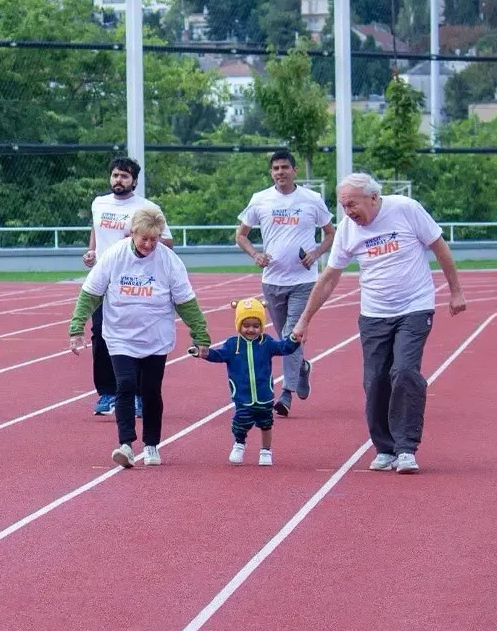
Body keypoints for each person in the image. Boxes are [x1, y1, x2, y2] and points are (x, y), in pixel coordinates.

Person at [289, 173, 467, 475]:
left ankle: (406, 447)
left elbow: (440, 249)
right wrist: (304, 319)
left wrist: (456, 291)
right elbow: (330, 277)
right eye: (343, 206)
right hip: (373, 314)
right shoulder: (347, 230)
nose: (348, 212)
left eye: (352, 204)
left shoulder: (406, 209)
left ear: (373, 198)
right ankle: (384, 449)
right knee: (375, 381)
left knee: (405, 372)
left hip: (415, 306)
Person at [69, 207, 210, 468]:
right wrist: (76, 328)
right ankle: (125, 444)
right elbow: (90, 293)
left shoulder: (169, 261)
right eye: (144, 238)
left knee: (150, 390)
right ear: (132, 233)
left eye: (154, 239)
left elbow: (186, 302)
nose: (148, 244)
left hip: (155, 337)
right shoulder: (114, 256)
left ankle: (152, 444)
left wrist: (200, 335)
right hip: (120, 334)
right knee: (124, 385)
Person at [234, 149, 335, 418]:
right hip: (273, 281)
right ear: (271, 173)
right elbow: (241, 235)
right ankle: (301, 368)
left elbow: (330, 234)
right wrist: (256, 254)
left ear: (295, 170)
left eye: (285, 167)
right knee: (284, 338)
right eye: (276, 168)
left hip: (304, 281)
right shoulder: (260, 200)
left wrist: (315, 253)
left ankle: (286, 393)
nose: (280, 172)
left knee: (293, 333)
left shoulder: (312, 200)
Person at [81, 157, 169, 418]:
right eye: (115, 175)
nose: (119, 180)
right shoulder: (99, 203)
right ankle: (107, 393)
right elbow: (96, 231)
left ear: (135, 180)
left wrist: (138, 240)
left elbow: (168, 241)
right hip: (103, 278)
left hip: (134, 280)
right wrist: (91, 252)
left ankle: (140, 396)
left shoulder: (146, 207)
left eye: (125, 176)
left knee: (136, 336)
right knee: (101, 336)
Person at [192, 297, 300, 466]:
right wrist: (203, 353)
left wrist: (294, 339)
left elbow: (283, 348)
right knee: (240, 422)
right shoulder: (232, 344)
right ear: (239, 325)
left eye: (256, 326)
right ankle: (239, 443)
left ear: (262, 327)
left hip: (264, 394)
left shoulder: (267, 342)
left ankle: (266, 451)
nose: (251, 329)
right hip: (242, 395)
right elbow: (218, 355)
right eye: (246, 325)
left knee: (266, 423)